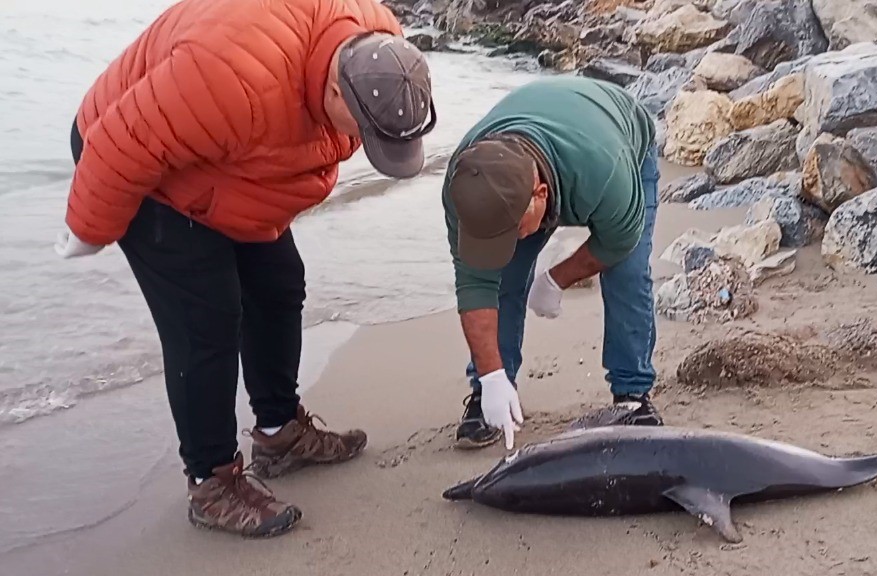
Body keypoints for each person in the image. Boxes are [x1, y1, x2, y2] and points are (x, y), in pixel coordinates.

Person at [57, 0, 436, 538]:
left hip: (228, 157)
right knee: (206, 319)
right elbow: (124, 143)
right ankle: (210, 482)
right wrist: (88, 228)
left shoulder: (382, 49)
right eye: (368, 134)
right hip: (129, 157)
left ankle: (279, 434)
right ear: (333, 91)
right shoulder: (234, 74)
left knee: (279, 285)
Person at [441, 75, 663, 451]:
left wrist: (557, 279)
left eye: (509, 231)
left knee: (627, 274)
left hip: (619, 140)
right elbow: (475, 286)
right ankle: (489, 393)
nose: (504, 243)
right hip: (537, 139)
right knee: (505, 276)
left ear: (540, 196)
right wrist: (491, 376)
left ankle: (633, 395)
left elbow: (617, 243)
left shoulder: (604, 171)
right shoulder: (465, 187)